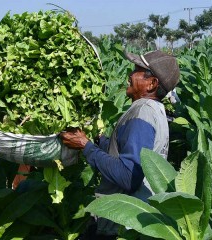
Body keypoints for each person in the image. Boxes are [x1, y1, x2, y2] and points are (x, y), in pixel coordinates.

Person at [60, 50, 180, 239]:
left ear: (152, 83)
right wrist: (98, 140)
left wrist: (86, 146)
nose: (130, 74)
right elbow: (127, 154)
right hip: (129, 220)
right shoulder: (155, 111)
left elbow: (128, 176)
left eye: (137, 71)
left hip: (120, 225)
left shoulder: (143, 112)